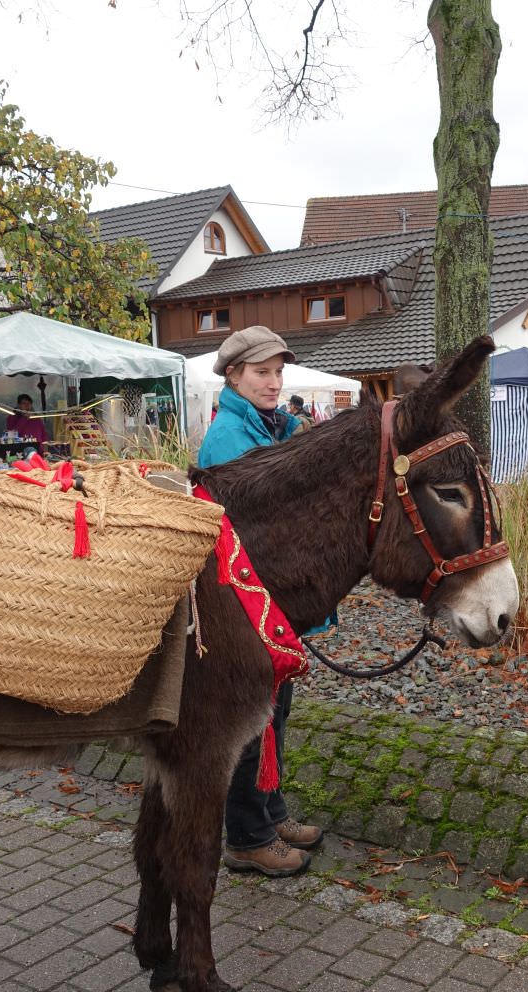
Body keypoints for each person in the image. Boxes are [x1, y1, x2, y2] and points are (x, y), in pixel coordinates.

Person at [197, 325, 322, 878]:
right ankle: (247, 838)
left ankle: (269, 816)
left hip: (269, 601)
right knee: (251, 722)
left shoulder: (270, 427)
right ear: (233, 376)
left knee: (274, 715)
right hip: (245, 602)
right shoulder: (230, 438)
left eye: (277, 373)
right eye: (261, 373)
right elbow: (253, 531)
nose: (273, 383)